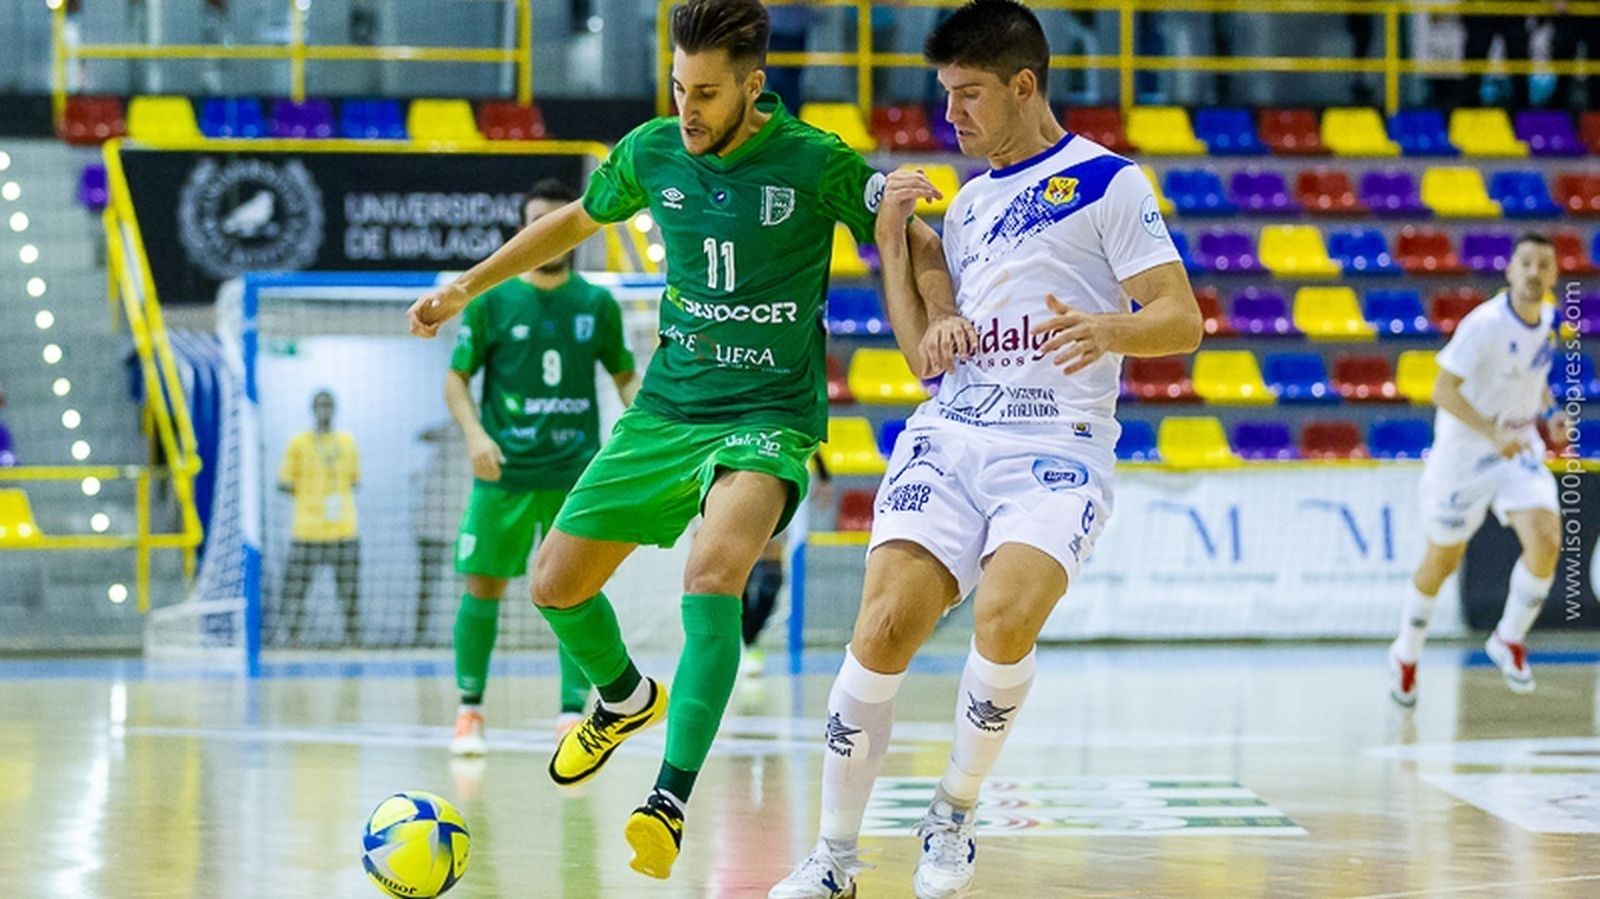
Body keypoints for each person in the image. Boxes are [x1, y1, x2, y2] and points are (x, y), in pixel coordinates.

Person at [406, 0, 969, 880]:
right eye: (677, 87)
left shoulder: (813, 160)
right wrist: (466, 287)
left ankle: (667, 798)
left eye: (705, 93)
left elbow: (917, 237)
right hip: (667, 407)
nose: (687, 109)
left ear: (753, 85)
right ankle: (625, 696)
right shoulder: (652, 150)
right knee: (554, 583)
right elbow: (574, 222)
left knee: (711, 576)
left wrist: (940, 315)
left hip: (768, 416)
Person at [770, 3, 1201, 897]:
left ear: (1024, 85)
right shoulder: (966, 205)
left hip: (1056, 445)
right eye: (945, 94)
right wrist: (895, 249)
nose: (951, 113)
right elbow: (921, 351)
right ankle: (834, 858)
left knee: (1004, 618)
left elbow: (1181, 319)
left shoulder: (1107, 182)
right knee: (882, 627)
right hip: (955, 432)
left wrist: (1111, 330)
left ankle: (953, 812)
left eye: (968, 94)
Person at [444, 178, 640, 756]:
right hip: (503, 473)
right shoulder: (493, 300)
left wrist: (647, 441)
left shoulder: (596, 304)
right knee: (483, 585)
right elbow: (456, 378)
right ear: (523, 229)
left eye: (555, 224)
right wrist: (476, 435)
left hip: (575, 474)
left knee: (573, 590)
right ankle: (470, 711)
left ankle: (571, 714)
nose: (546, 234)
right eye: (535, 223)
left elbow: (625, 376)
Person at [1388, 233, 1564, 708]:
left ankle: (1508, 638)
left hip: (1517, 448)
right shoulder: (1483, 325)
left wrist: (1550, 414)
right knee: (1443, 560)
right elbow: (1442, 390)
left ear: (1554, 274)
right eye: (1526, 262)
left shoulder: (1549, 321)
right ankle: (1406, 652)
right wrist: (1491, 433)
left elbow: (1534, 377)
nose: (1534, 272)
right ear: (1510, 270)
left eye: (1543, 264)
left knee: (1546, 539)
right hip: (1464, 456)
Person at [277, 390, 362, 645]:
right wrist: (310, 494)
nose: (324, 410)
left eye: (328, 405)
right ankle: (292, 639)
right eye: (319, 405)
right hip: (306, 530)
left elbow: (355, 480)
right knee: (295, 590)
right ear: (313, 409)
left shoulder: (347, 442)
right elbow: (283, 482)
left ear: (334, 409)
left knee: (349, 592)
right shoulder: (298, 442)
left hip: (344, 530)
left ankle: (353, 640)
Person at [740, 455, 831, 677]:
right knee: (736, 579)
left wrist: (824, 477)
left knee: (770, 581)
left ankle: (750, 641)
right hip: (738, 489)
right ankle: (748, 644)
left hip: (775, 489)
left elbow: (812, 443)